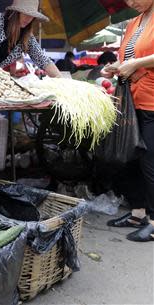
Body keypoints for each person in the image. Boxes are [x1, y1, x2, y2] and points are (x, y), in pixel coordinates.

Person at [0, 0, 61, 165]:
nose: (28, 19)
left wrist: (63, 81)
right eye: (25, 14)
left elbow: (44, 61)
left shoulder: (26, 37)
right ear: (15, 12)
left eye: (32, 16)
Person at [104, 0, 154, 242]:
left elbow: (139, 60)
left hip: (153, 101)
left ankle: (153, 222)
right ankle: (137, 213)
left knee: (150, 162)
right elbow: (129, 58)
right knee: (129, 159)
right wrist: (115, 67)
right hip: (132, 100)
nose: (131, 2)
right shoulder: (134, 22)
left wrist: (137, 63)